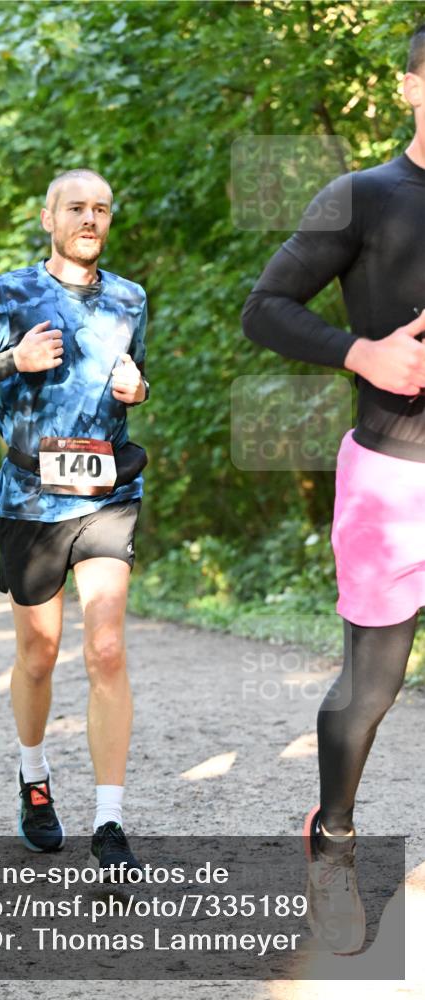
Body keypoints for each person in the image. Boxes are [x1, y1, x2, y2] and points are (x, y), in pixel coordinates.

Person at [242, 24, 425, 954]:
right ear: (408, 87)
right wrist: (363, 351)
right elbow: (262, 308)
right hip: (396, 479)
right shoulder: (361, 196)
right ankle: (335, 846)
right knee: (370, 688)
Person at [0, 168, 150, 875]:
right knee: (38, 655)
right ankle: (33, 777)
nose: (90, 218)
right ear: (48, 218)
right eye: (76, 207)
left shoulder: (129, 298)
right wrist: (8, 361)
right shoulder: (7, 293)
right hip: (29, 497)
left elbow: (130, 376)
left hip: (108, 490)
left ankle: (109, 823)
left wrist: (138, 387)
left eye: (102, 209)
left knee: (106, 649)